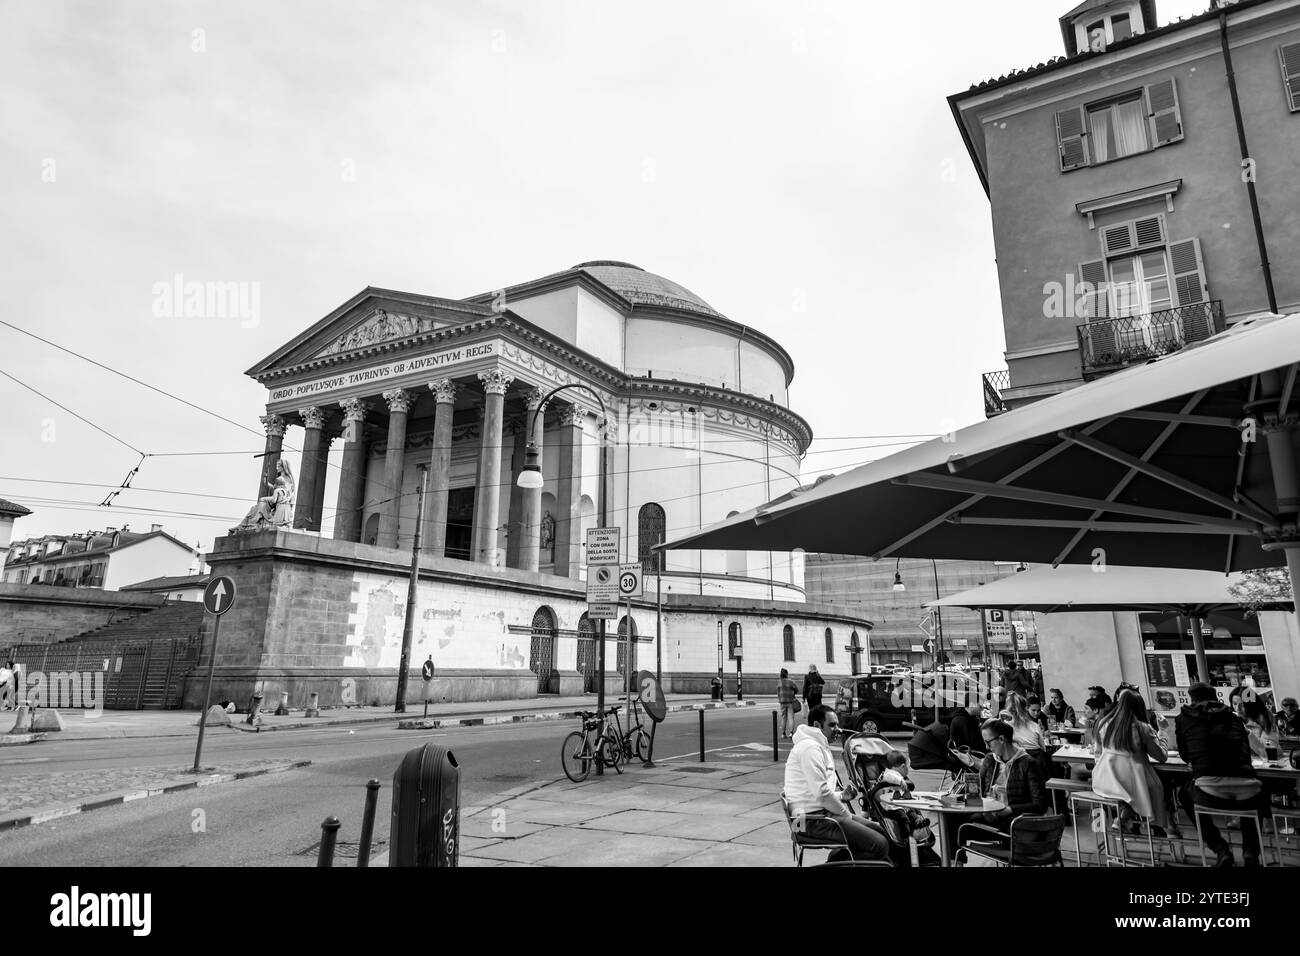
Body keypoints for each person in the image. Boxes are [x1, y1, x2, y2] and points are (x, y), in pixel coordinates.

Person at [1175, 682, 1270, 867]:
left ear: (1192, 699)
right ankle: (1251, 851)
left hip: (1209, 790)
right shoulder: (1234, 718)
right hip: (1249, 788)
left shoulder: (1183, 718)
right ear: (1216, 697)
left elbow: (1185, 755)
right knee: (1254, 799)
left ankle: (1220, 849)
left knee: (1184, 795)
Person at [783, 705, 890, 862]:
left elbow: (815, 793)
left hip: (819, 815)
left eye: (837, 724)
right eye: (832, 725)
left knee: (882, 832)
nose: (838, 729)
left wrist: (841, 795)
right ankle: (838, 862)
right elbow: (821, 794)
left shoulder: (816, 745)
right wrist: (844, 813)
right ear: (817, 726)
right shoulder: (809, 748)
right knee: (879, 845)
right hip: (810, 822)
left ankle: (837, 860)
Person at [1090, 689, 1172, 835]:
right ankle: (1161, 826)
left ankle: (1123, 819)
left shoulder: (1104, 724)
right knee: (1155, 785)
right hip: (1134, 781)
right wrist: (1163, 731)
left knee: (1129, 792)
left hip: (1103, 780)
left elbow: (1097, 752)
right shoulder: (1142, 728)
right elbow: (1161, 756)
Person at [967, 718, 1047, 833]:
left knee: (961, 825)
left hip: (1013, 821)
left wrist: (1008, 810)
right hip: (988, 815)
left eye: (988, 742)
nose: (986, 747)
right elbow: (976, 792)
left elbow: (1040, 804)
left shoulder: (1028, 763)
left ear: (1001, 739)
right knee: (951, 819)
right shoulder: (990, 759)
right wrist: (970, 790)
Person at [1007, 693, 1052, 780]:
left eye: (1038, 710)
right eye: (1033, 710)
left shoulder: (1006, 724)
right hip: (1036, 759)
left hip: (1016, 760)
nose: (1036, 713)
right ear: (1026, 709)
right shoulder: (1034, 725)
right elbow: (1043, 747)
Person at [776, 668, 800, 739]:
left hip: (782, 702)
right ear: (787, 674)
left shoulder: (779, 682)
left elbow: (778, 692)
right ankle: (791, 733)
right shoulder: (791, 682)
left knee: (783, 717)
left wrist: (780, 699)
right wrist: (792, 693)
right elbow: (796, 689)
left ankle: (783, 734)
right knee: (791, 718)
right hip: (790, 701)